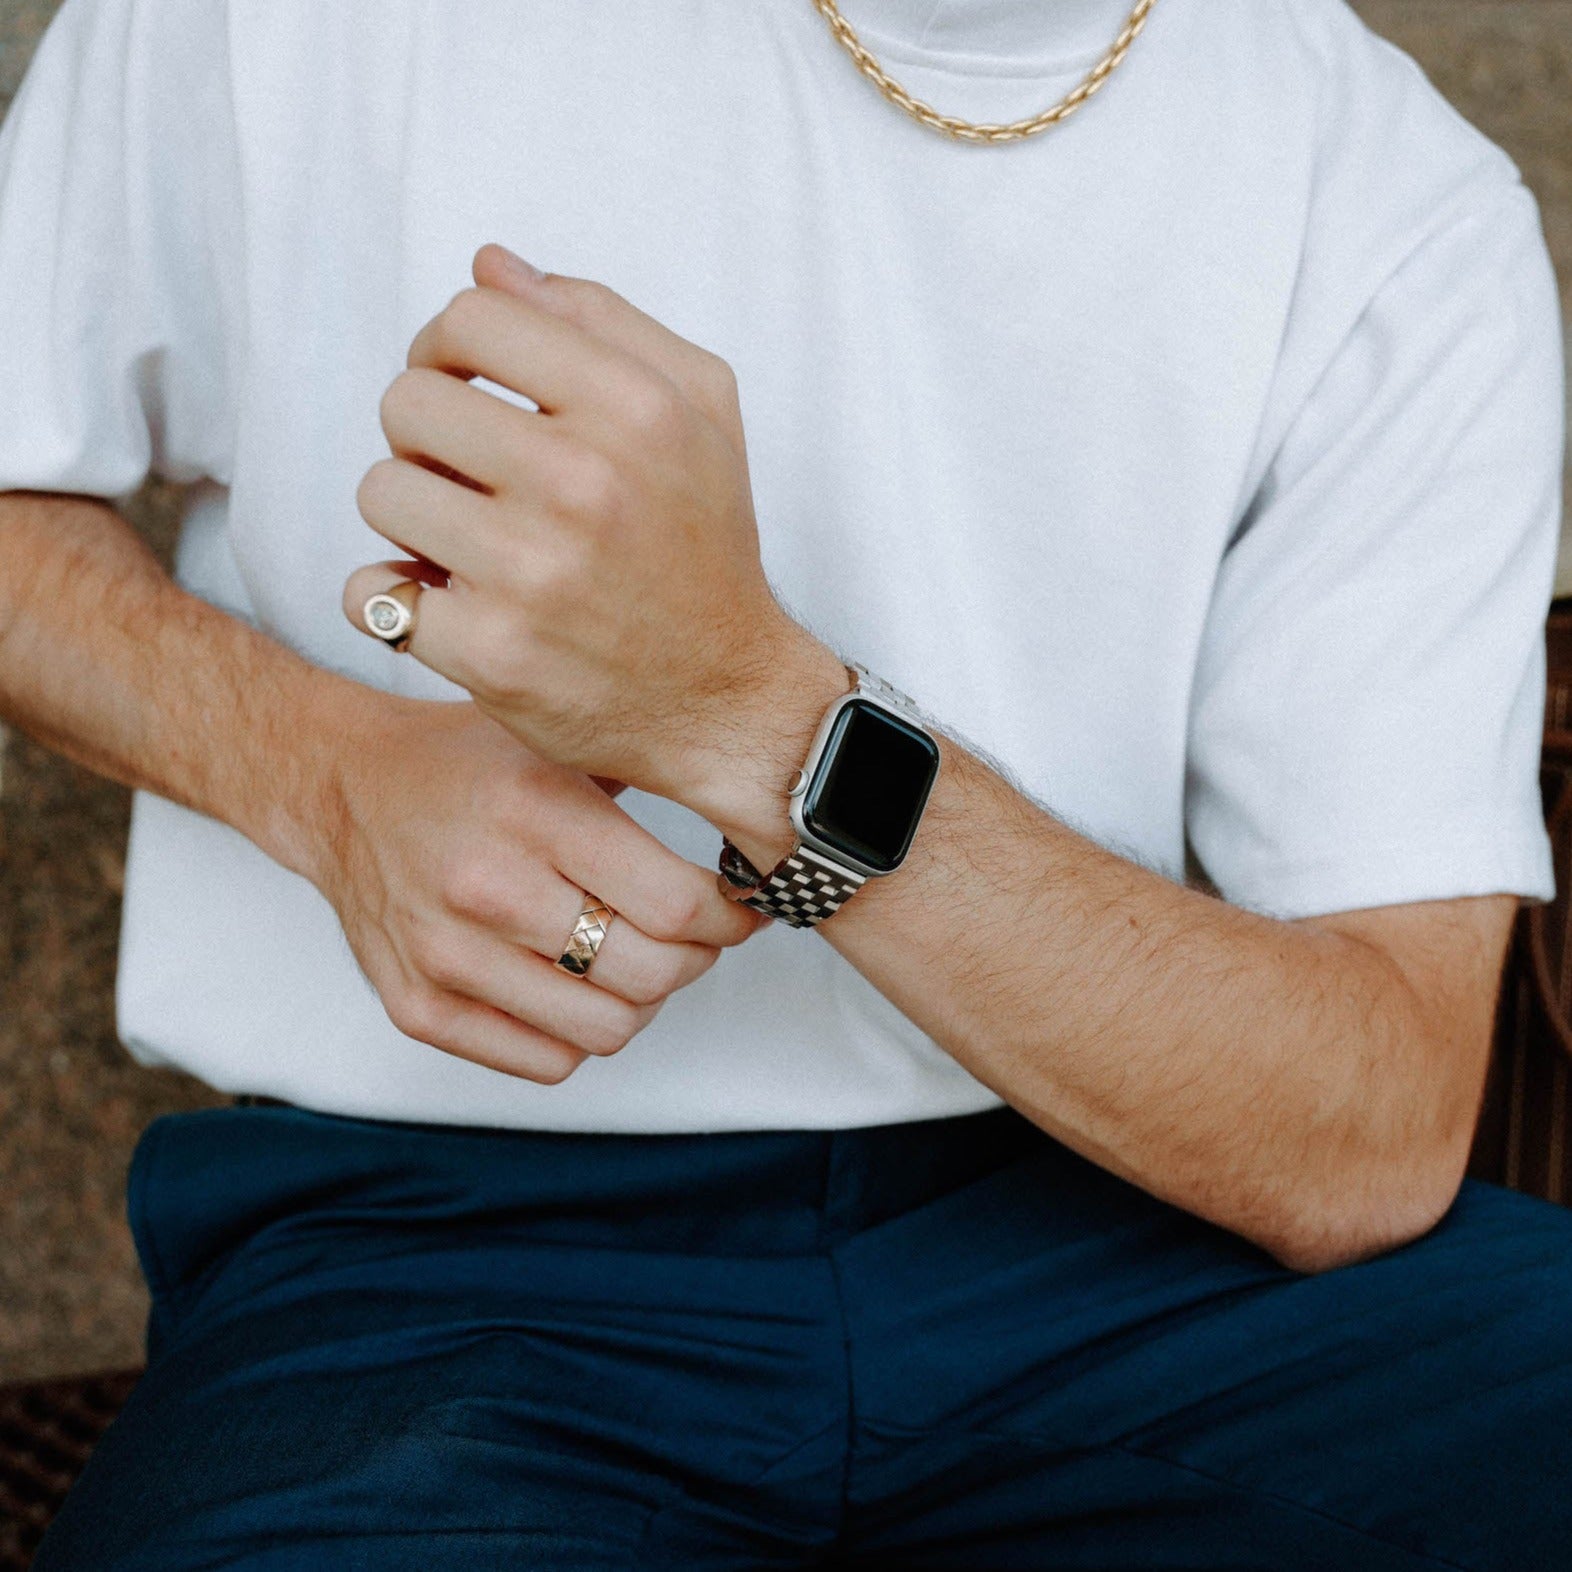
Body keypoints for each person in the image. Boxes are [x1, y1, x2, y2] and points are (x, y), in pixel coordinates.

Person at [1, 0, 1568, 1564]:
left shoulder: (1391, 202)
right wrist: (322, 776)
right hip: (415, 1249)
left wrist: (752, 715)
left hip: (1118, 1215)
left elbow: (1371, 1128)